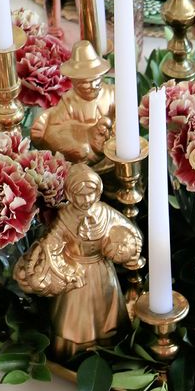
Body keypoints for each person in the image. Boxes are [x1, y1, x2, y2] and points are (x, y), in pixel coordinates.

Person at [13, 163, 142, 363]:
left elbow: (127, 229)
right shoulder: (65, 215)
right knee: (73, 317)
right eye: (80, 195)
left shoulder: (105, 213)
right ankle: (73, 353)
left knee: (106, 314)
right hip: (75, 276)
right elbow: (52, 239)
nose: (86, 200)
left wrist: (128, 247)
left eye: (90, 194)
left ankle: (111, 351)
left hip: (102, 272)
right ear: (70, 194)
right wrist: (44, 252)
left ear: (98, 191)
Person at [30, 39, 115, 175]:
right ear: (74, 82)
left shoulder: (111, 94)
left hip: (107, 155)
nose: (92, 86)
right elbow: (52, 129)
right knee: (81, 150)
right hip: (79, 154)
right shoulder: (69, 100)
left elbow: (123, 120)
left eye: (96, 80)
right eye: (85, 83)